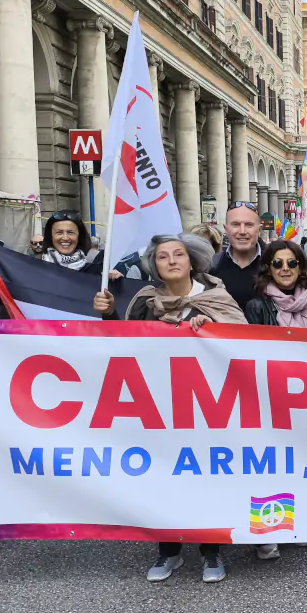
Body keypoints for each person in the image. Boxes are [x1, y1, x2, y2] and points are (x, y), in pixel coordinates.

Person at [93, 233, 247, 583]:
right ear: (156, 266)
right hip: (159, 403)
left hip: (209, 405)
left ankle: (211, 551)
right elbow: (122, 347)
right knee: (163, 474)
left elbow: (244, 341)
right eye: (163, 257)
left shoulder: (217, 299)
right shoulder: (145, 302)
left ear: (192, 260)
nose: (172, 260)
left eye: (179, 254)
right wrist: (108, 315)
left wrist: (214, 329)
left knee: (208, 475)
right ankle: (169, 550)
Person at [245, 240, 307, 326]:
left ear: (300, 268)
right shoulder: (256, 306)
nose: (285, 268)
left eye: (292, 263)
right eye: (278, 263)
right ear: (268, 269)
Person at [209, 202, 264, 309]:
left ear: (259, 229)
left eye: (249, 225)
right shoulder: (211, 266)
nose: (242, 231)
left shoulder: (277, 264)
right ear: (226, 229)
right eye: (236, 224)